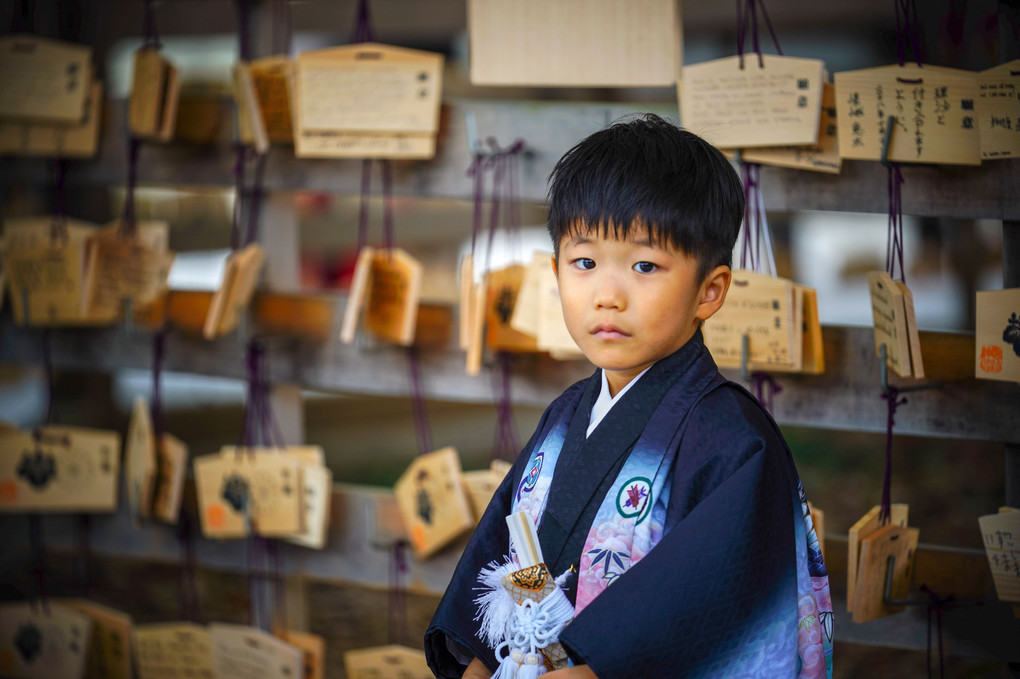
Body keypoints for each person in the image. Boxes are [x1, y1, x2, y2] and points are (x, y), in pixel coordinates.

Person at [425, 114, 833, 679]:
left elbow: (705, 606)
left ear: (709, 291)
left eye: (645, 265)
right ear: (556, 270)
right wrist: (479, 663)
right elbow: (503, 554)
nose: (607, 296)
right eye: (585, 263)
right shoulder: (567, 415)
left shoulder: (735, 441)